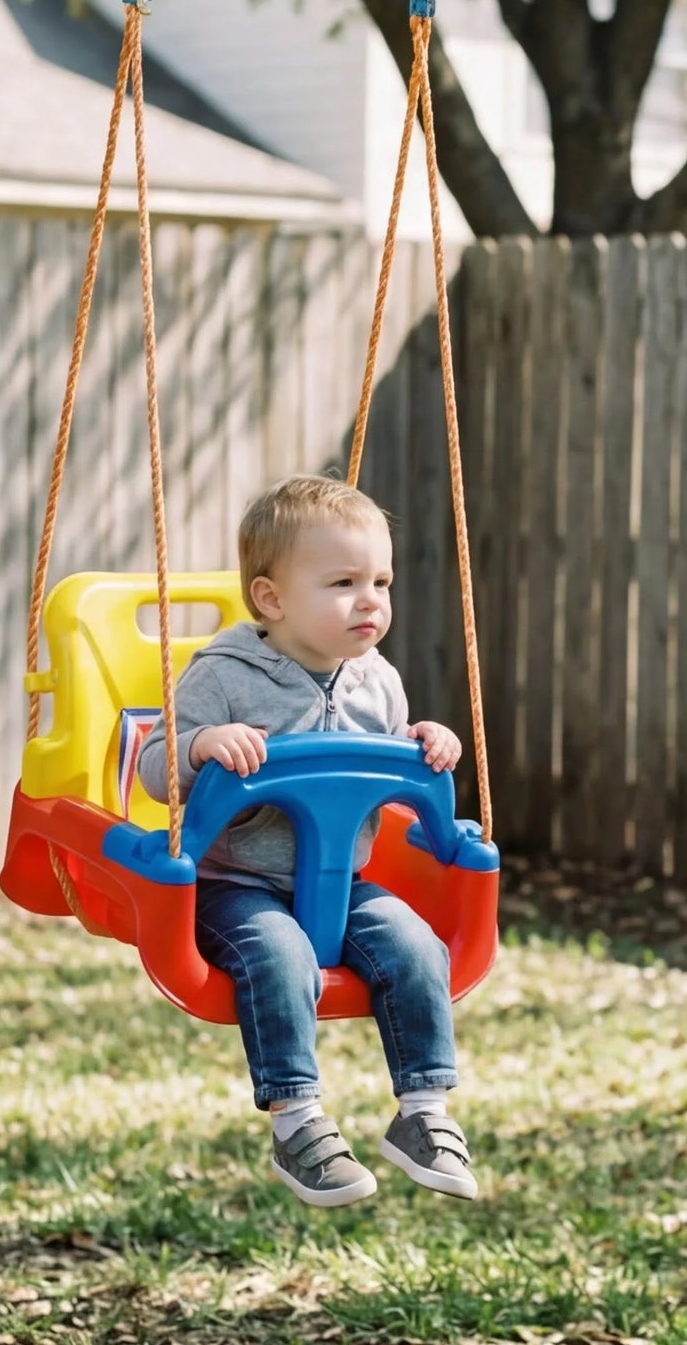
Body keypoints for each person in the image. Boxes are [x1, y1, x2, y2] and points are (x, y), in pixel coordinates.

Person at [135, 474, 479, 1212]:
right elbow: (154, 768)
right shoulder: (222, 676)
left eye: (381, 581)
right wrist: (203, 745)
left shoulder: (377, 682)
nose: (372, 601)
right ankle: (297, 1122)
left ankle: (423, 1111)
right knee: (279, 955)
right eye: (345, 582)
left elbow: (392, 775)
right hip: (237, 885)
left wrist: (426, 743)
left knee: (419, 949)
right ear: (272, 599)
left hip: (343, 881)